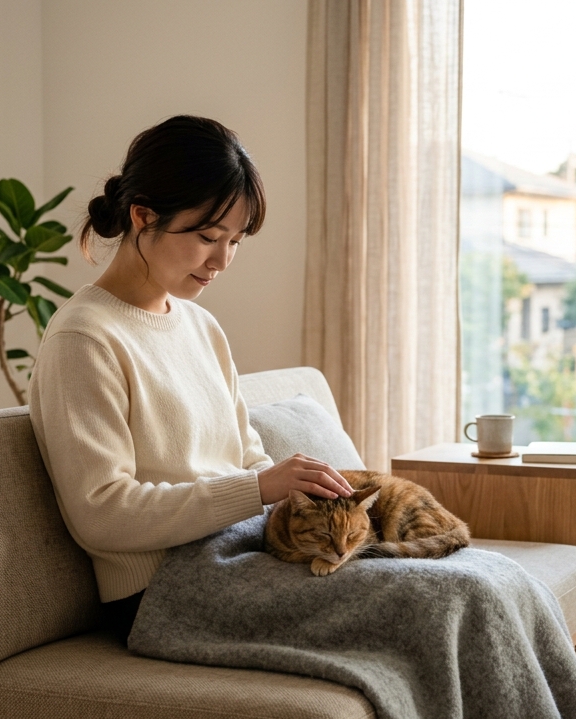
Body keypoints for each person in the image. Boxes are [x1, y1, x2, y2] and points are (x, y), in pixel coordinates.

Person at [28, 115, 354, 643]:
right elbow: (102, 512)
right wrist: (258, 489)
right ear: (142, 216)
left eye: (235, 241)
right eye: (207, 237)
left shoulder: (201, 326)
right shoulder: (84, 338)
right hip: (164, 591)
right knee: (442, 600)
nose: (222, 260)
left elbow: (248, 456)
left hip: (245, 555)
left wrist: (296, 505)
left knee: (467, 580)